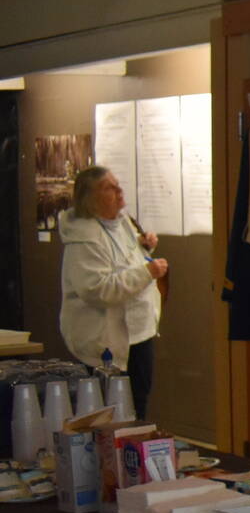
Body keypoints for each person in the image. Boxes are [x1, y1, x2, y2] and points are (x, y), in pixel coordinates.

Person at [58, 166, 167, 419]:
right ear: (90, 197)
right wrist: (146, 272)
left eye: (118, 185)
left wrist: (142, 245)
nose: (119, 192)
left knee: (138, 405)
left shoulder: (121, 221)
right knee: (109, 414)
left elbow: (120, 256)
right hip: (104, 340)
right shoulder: (83, 238)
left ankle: (134, 454)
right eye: (109, 188)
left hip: (139, 333)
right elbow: (98, 289)